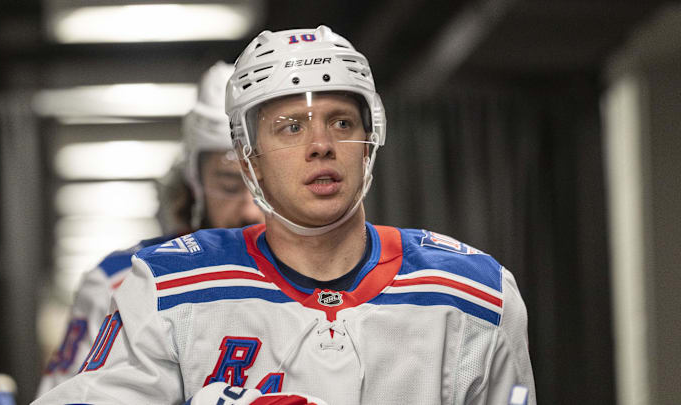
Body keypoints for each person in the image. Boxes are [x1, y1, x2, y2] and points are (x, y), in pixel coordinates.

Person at [35, 26, 535, 404]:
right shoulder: (166, 288)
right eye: (290, 127)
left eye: (341, 122)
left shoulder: (476, 294)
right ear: (248, 155)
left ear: (370, 140)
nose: (321, 145)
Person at [35, 61, 263, 397]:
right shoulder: (119, 280)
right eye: (229, 184)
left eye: (265, 186)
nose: (249, 208)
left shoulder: (333, 284)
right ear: (194, 182)